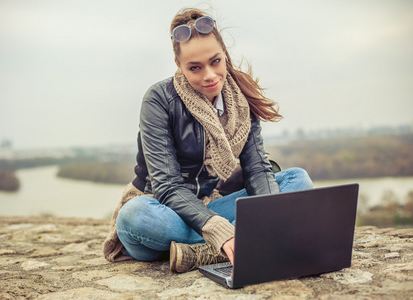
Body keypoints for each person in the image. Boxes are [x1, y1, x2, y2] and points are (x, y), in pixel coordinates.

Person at [103, 8, 313, 273]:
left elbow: (257, 170)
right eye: (195, 67)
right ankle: (235, 241)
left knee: (297, 180)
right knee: (134, 215)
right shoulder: (159, 100)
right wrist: (219, 229)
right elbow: (167, 186)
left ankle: (203, 252)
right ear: (179, 66)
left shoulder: (240, 102)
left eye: (215, 62)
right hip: (162, 213)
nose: (209, 75)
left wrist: (269, 214)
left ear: (224, 54)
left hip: (210, 205)